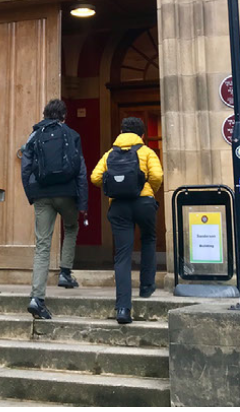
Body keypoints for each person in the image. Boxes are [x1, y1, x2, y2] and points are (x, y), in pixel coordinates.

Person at [90, 116, 164, 325]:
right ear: (142, 134)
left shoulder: (109, 155)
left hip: (119, 205)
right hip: (144, 203)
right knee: (149, 239)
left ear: (121, 132)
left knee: (122, 255)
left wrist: (112, 189)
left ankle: (123, 308)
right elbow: (157, 176)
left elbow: (95, 177)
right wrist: (149, 191)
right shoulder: (147, 152)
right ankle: (147, 286)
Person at [20, 99, 88, 320]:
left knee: (42, 245)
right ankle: (65, 273)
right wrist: (83, 203)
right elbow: (80, 170)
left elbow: (25, 167)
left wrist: (31, 194)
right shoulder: (71, 134)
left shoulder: (34, 135)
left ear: (44, 114)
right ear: (63, 116)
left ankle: (36, 298)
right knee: (71, 226)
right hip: (66, 193)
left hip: (41, 194)